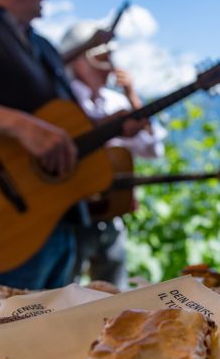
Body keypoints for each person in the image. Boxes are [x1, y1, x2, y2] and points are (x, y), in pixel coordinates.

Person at [0, 0, 143, 291]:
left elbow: (59, 122)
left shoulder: (41, 46)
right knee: (6, 332)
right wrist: (19, 126)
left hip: (58, 218)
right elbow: (30, 125)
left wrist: (107, 127)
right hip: (5, 220)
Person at [59, 20, 166, 287]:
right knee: (62, 291)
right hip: (69, 215)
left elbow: (153, 149)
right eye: (101, 57)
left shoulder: (118, 101)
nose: (108, 64)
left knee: (113, 292)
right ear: (79, 60)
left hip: (111, 213)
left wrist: (133, 96)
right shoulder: (63, 101)